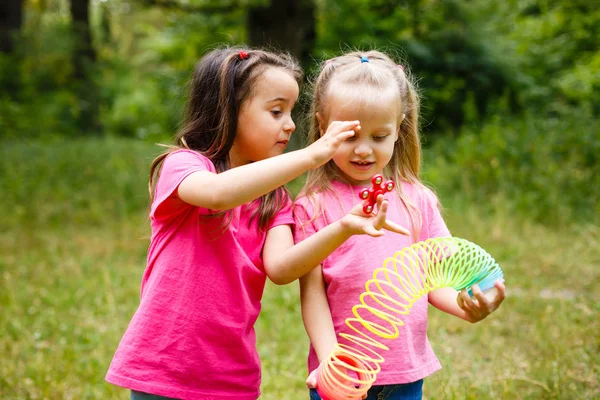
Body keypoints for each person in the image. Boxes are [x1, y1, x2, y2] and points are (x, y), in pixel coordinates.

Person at [105, 46, 410, 400]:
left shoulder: (275, 199)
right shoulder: (185, 166)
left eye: (292, 112)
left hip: (231, 375)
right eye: (277, 111)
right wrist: (310, 156)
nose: (291, 124)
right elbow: (218, 194)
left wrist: (343, 226)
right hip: (163, 365)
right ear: (230, 110)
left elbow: (280, 269)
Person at [293, 50, 506, 400]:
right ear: (322, 126)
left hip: (405, 371)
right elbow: (312, 293)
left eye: (379, 137)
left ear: (399, 130)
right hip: (341, 375)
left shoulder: (415, 199)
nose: (363, 150)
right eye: (350, 136)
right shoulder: (314, 205)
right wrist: (331, 357)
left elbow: (433, 279)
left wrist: (467, 309)